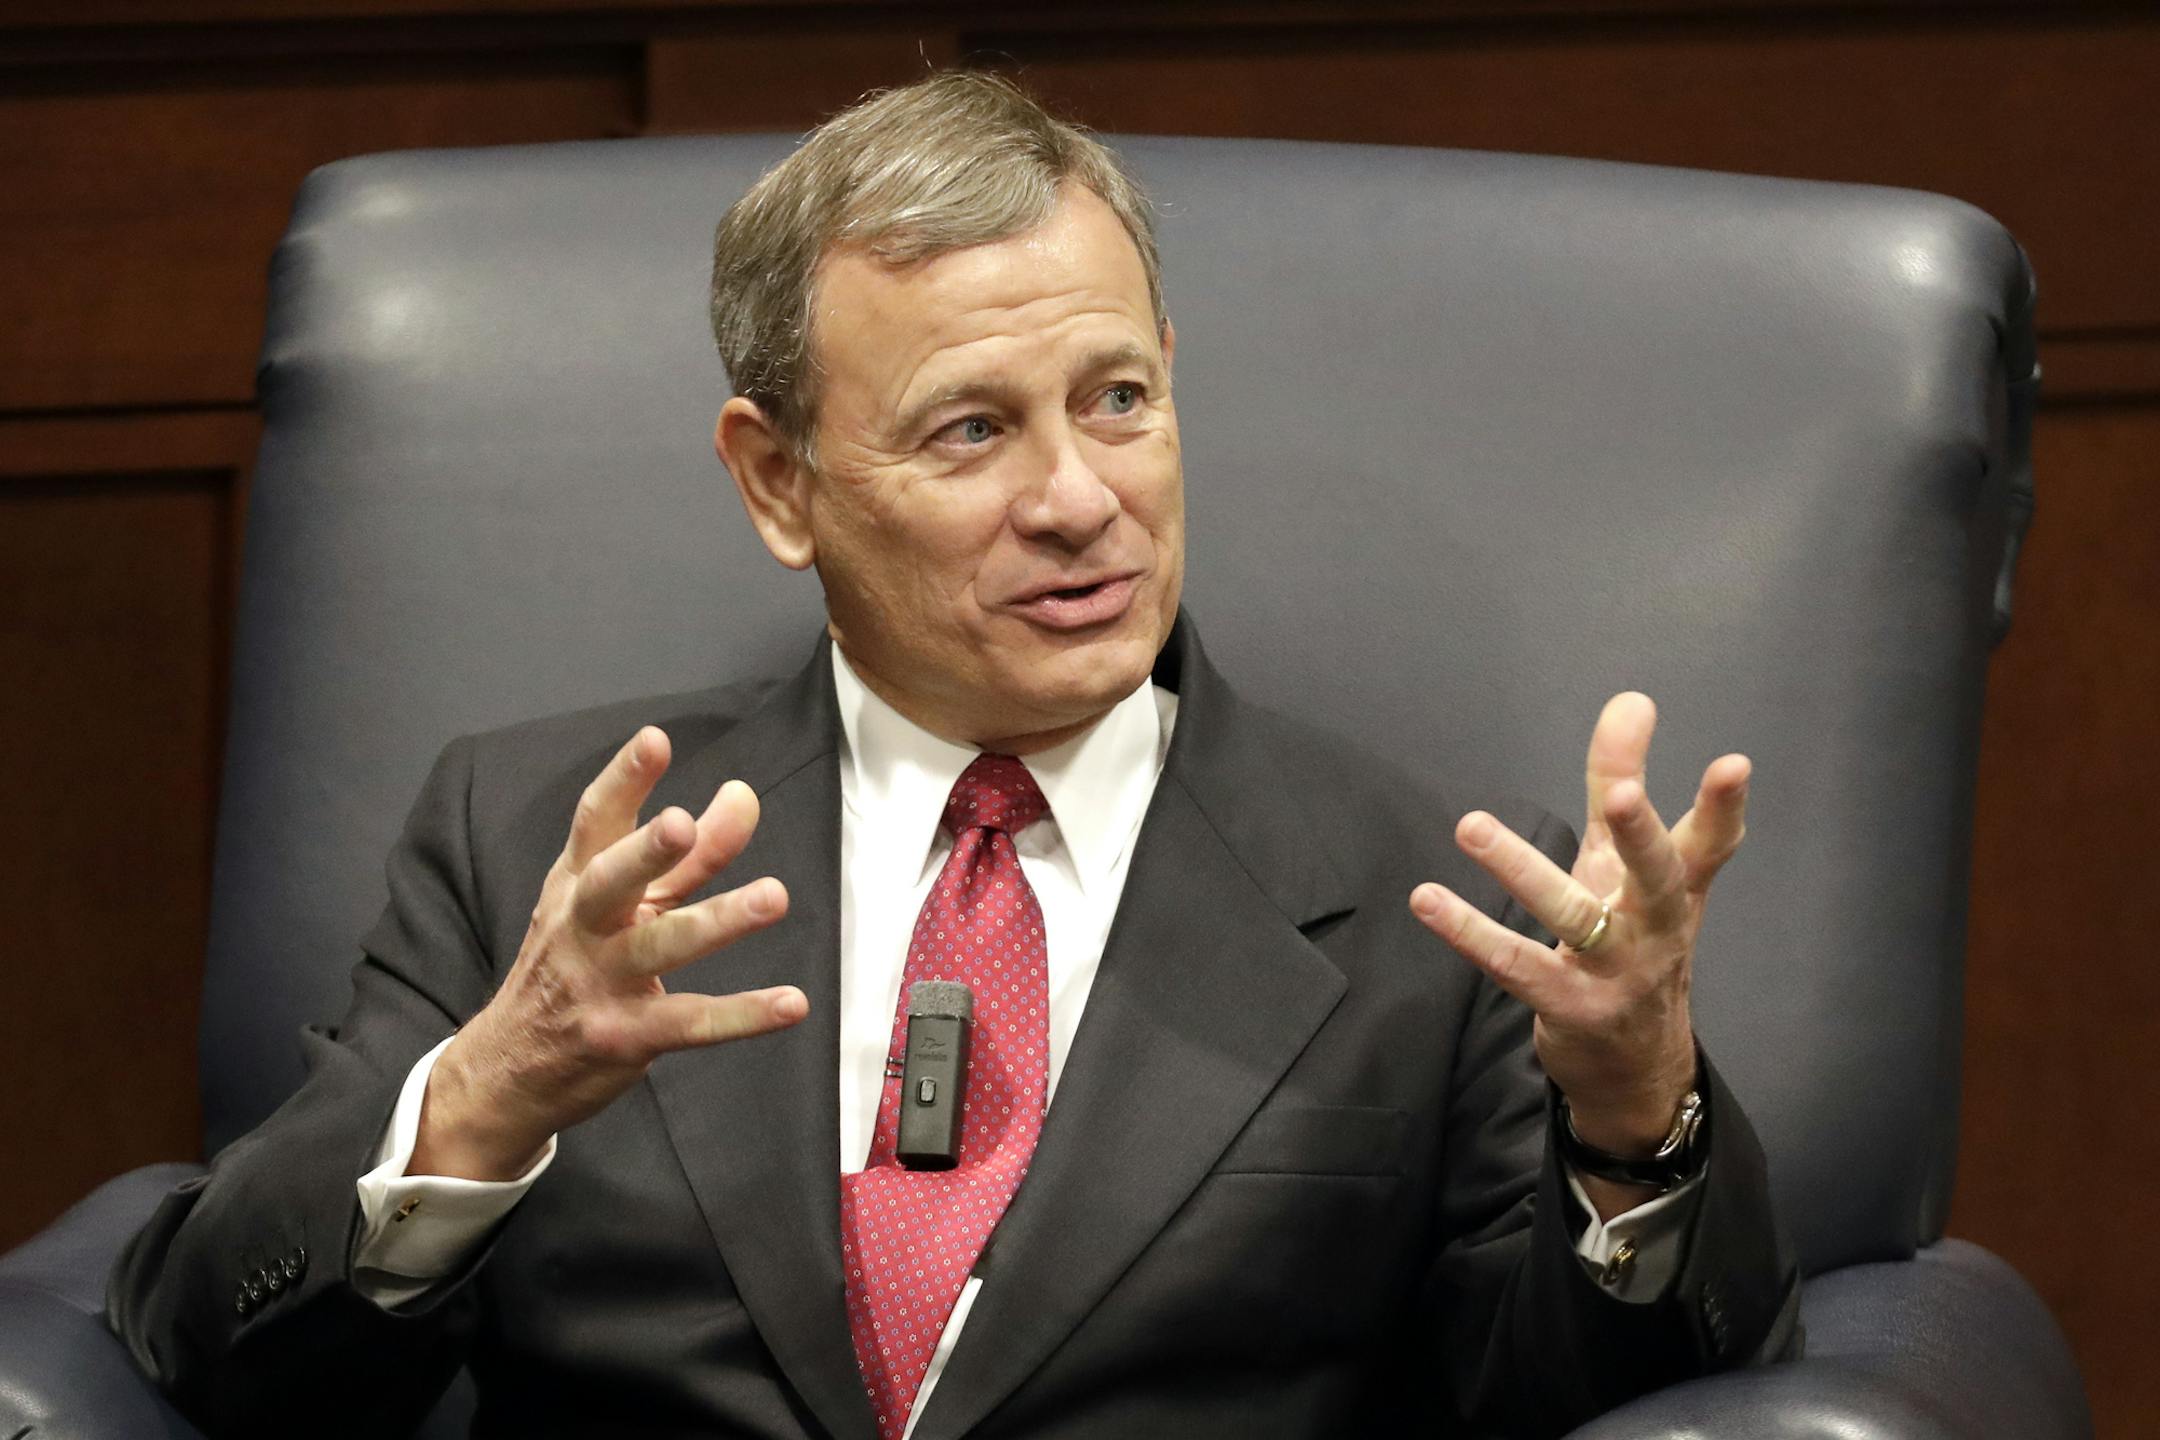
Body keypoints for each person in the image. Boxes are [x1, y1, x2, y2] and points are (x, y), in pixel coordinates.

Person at [110, 70, 1799, 1439]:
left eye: (1117, 399)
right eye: (973, 428)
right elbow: (218, 1363)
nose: (1078, 498)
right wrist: (485, 1100)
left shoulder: (1435, 907)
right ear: (779, 482)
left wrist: (1634, 1117)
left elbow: (1589, 1410)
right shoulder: (538, 847)